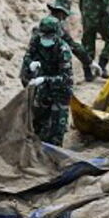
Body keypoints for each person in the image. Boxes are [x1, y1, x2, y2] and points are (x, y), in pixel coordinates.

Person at [20, 16, 74, 146]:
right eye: (43, 35)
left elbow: (65, 78)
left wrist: (44, 79)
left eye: (49, 36)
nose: (45, 39)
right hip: (43, 89)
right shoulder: (36, 40)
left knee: (56, 130)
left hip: (60, 91)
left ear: (55, 36)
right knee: (38, 125)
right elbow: (27, 57)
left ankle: (54, 150)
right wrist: (30, 63)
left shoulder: (63, 50)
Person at [23, 0, 101, 82]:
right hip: (41, 75)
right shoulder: (56, 29)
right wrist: (90, 62)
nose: (65, 18)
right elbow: (73, 46)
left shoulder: (42, 24)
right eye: (65, 15)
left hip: (29, 74)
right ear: (61, 13)